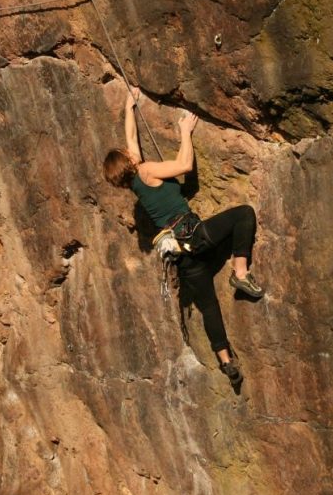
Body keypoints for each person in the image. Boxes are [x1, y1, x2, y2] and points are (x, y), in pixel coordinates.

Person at [102, 88, 264, 385]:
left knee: (209, 306)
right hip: (194, 234)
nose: (129, 150)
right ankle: (240, 272)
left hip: (182, 255)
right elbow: (184, 165)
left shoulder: (135, 183)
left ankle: (225, 360)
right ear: (128, 161)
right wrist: (185, 131)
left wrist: (129, 107)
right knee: (244, 214)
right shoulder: (148, 170)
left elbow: (131, 140)